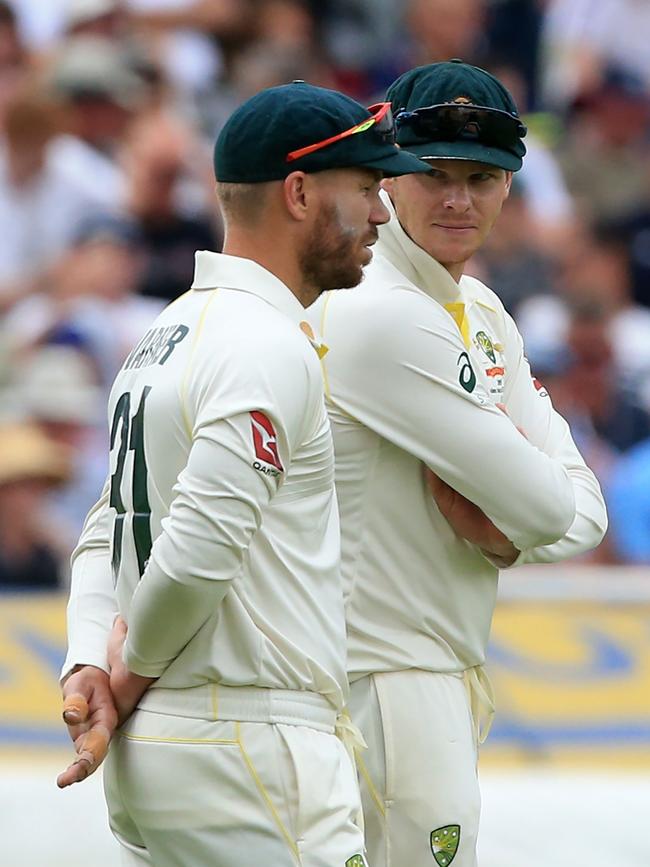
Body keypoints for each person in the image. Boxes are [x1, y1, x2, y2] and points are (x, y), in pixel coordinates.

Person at [56, 81, 429, 867]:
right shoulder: (266, 343)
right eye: (365, 187)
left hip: (160, 753)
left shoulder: (161, 334)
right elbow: (196, 550)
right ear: (299, 193)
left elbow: (107, 524)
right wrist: (120, 679)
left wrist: (90, 656)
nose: (382, 213)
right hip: (251, 748)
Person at [306, 60, 608, 867]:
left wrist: (505, 535)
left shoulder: (479, 307)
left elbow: (582, 506)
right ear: (389, 181)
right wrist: (526, 520)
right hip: (381, 673)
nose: (457, 199)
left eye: (481, 177)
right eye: (433, 173)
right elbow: (551, 508)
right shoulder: (376, 311)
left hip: (433, 668)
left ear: (511, 186)